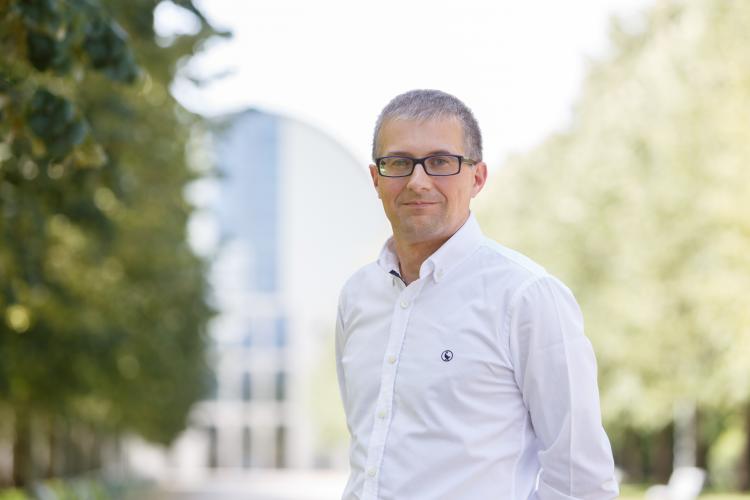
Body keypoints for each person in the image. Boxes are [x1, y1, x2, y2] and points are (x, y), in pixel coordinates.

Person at [335, 89, 618, 500]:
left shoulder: (527, 298)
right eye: (398, 163)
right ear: (376, 178)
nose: (417, 181)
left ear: (477, 177)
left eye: (440, 162)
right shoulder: (357, 297)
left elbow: (582, 483)